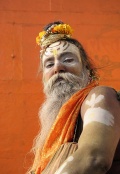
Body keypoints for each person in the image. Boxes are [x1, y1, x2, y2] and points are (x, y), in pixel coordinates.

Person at [28, 21, 120, 174]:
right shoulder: (53, 127)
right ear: (44, 78)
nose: (58, 68)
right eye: (49, 65)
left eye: (68, 60)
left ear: (87, 70)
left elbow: (93, 158)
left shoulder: (100, 97)